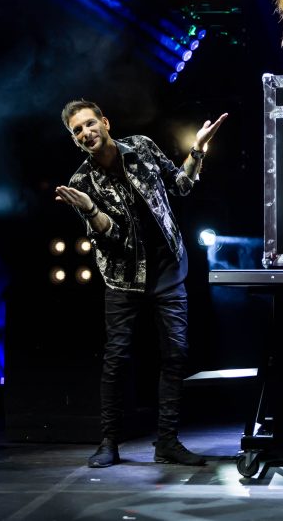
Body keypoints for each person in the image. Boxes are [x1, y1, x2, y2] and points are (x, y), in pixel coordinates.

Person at [55, 100, 228, 467]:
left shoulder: (142, 147)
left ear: (105, 122)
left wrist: (197, 150)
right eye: (77, 131)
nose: (86, 133)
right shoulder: (81, 183)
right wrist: (90, 209)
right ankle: (109, 442)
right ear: (74, 139)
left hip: (167, 269)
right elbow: (113, 238)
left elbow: (181, 185)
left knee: (176, 353)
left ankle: (167, 441)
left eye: (89, 124)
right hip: (123, 278)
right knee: (117, 359)